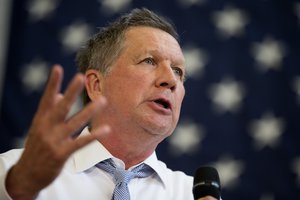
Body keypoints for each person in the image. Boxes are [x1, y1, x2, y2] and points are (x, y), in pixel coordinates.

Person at [0, 8, 217, 200]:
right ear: (96, 85)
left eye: (178, 71)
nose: (170, 80)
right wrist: (20, 190)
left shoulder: (190, 194)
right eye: (149, 61)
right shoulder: (12, 173)